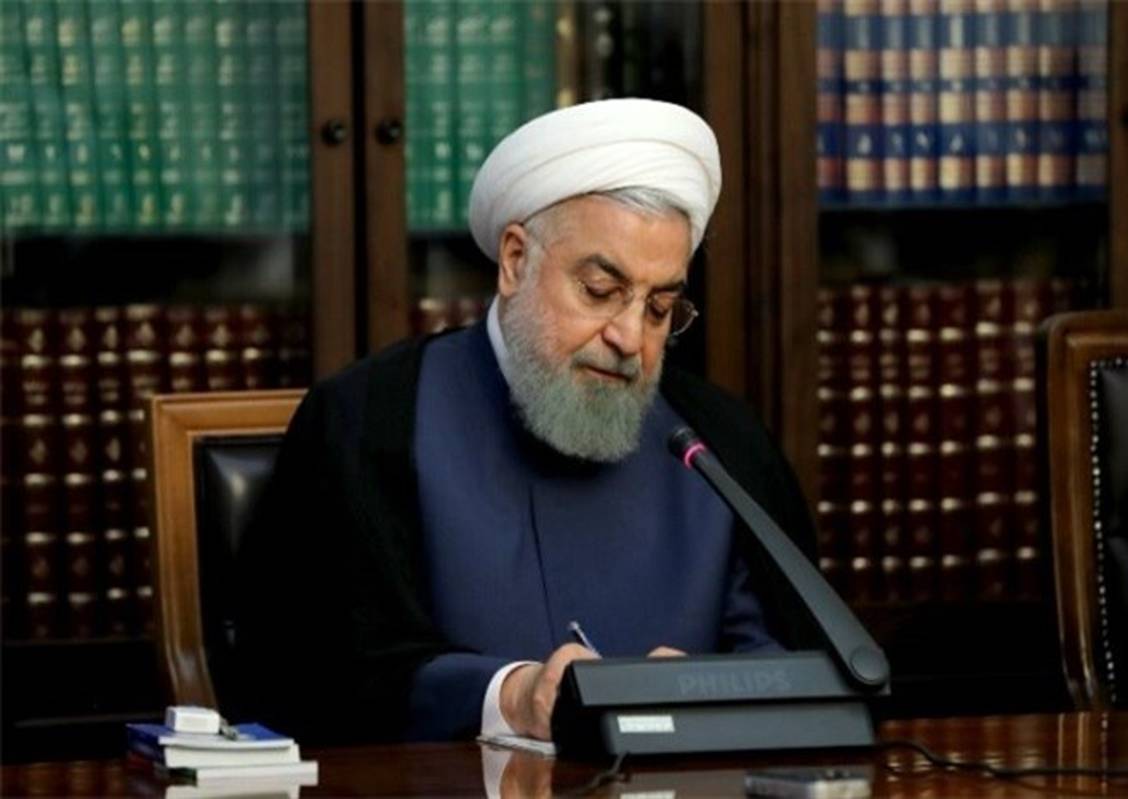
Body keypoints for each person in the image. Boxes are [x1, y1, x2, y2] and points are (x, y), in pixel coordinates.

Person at [235, 98, 819, 744]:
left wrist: (707, 691)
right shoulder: (370, 420)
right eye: (600, 291)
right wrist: (509, 695)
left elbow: (791, 668)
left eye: (659, 308)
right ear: (515, 260)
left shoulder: (718, 444)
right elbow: (316, 678)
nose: (630, 338)